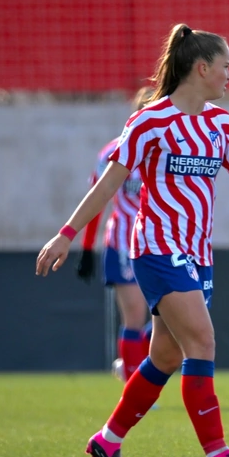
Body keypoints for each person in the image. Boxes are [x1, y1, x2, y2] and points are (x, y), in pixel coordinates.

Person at [36, 24, 229, 457]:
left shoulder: (221, 125)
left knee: (165, 357)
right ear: (201, 68)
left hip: (198, 254)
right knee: (202, 342)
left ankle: (106, 442)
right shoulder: (149, 121)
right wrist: (66, 234)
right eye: (225, 66)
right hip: (157, 252)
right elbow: (107, 183)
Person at [75, 87, 153, 383]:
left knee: (170, 323)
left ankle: (130, 363)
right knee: (134, 316)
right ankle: (135, 384)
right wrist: (86, 249)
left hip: (160, 244)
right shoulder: (112, 153)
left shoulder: (171, 149)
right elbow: (97, 200)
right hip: (123, 244)